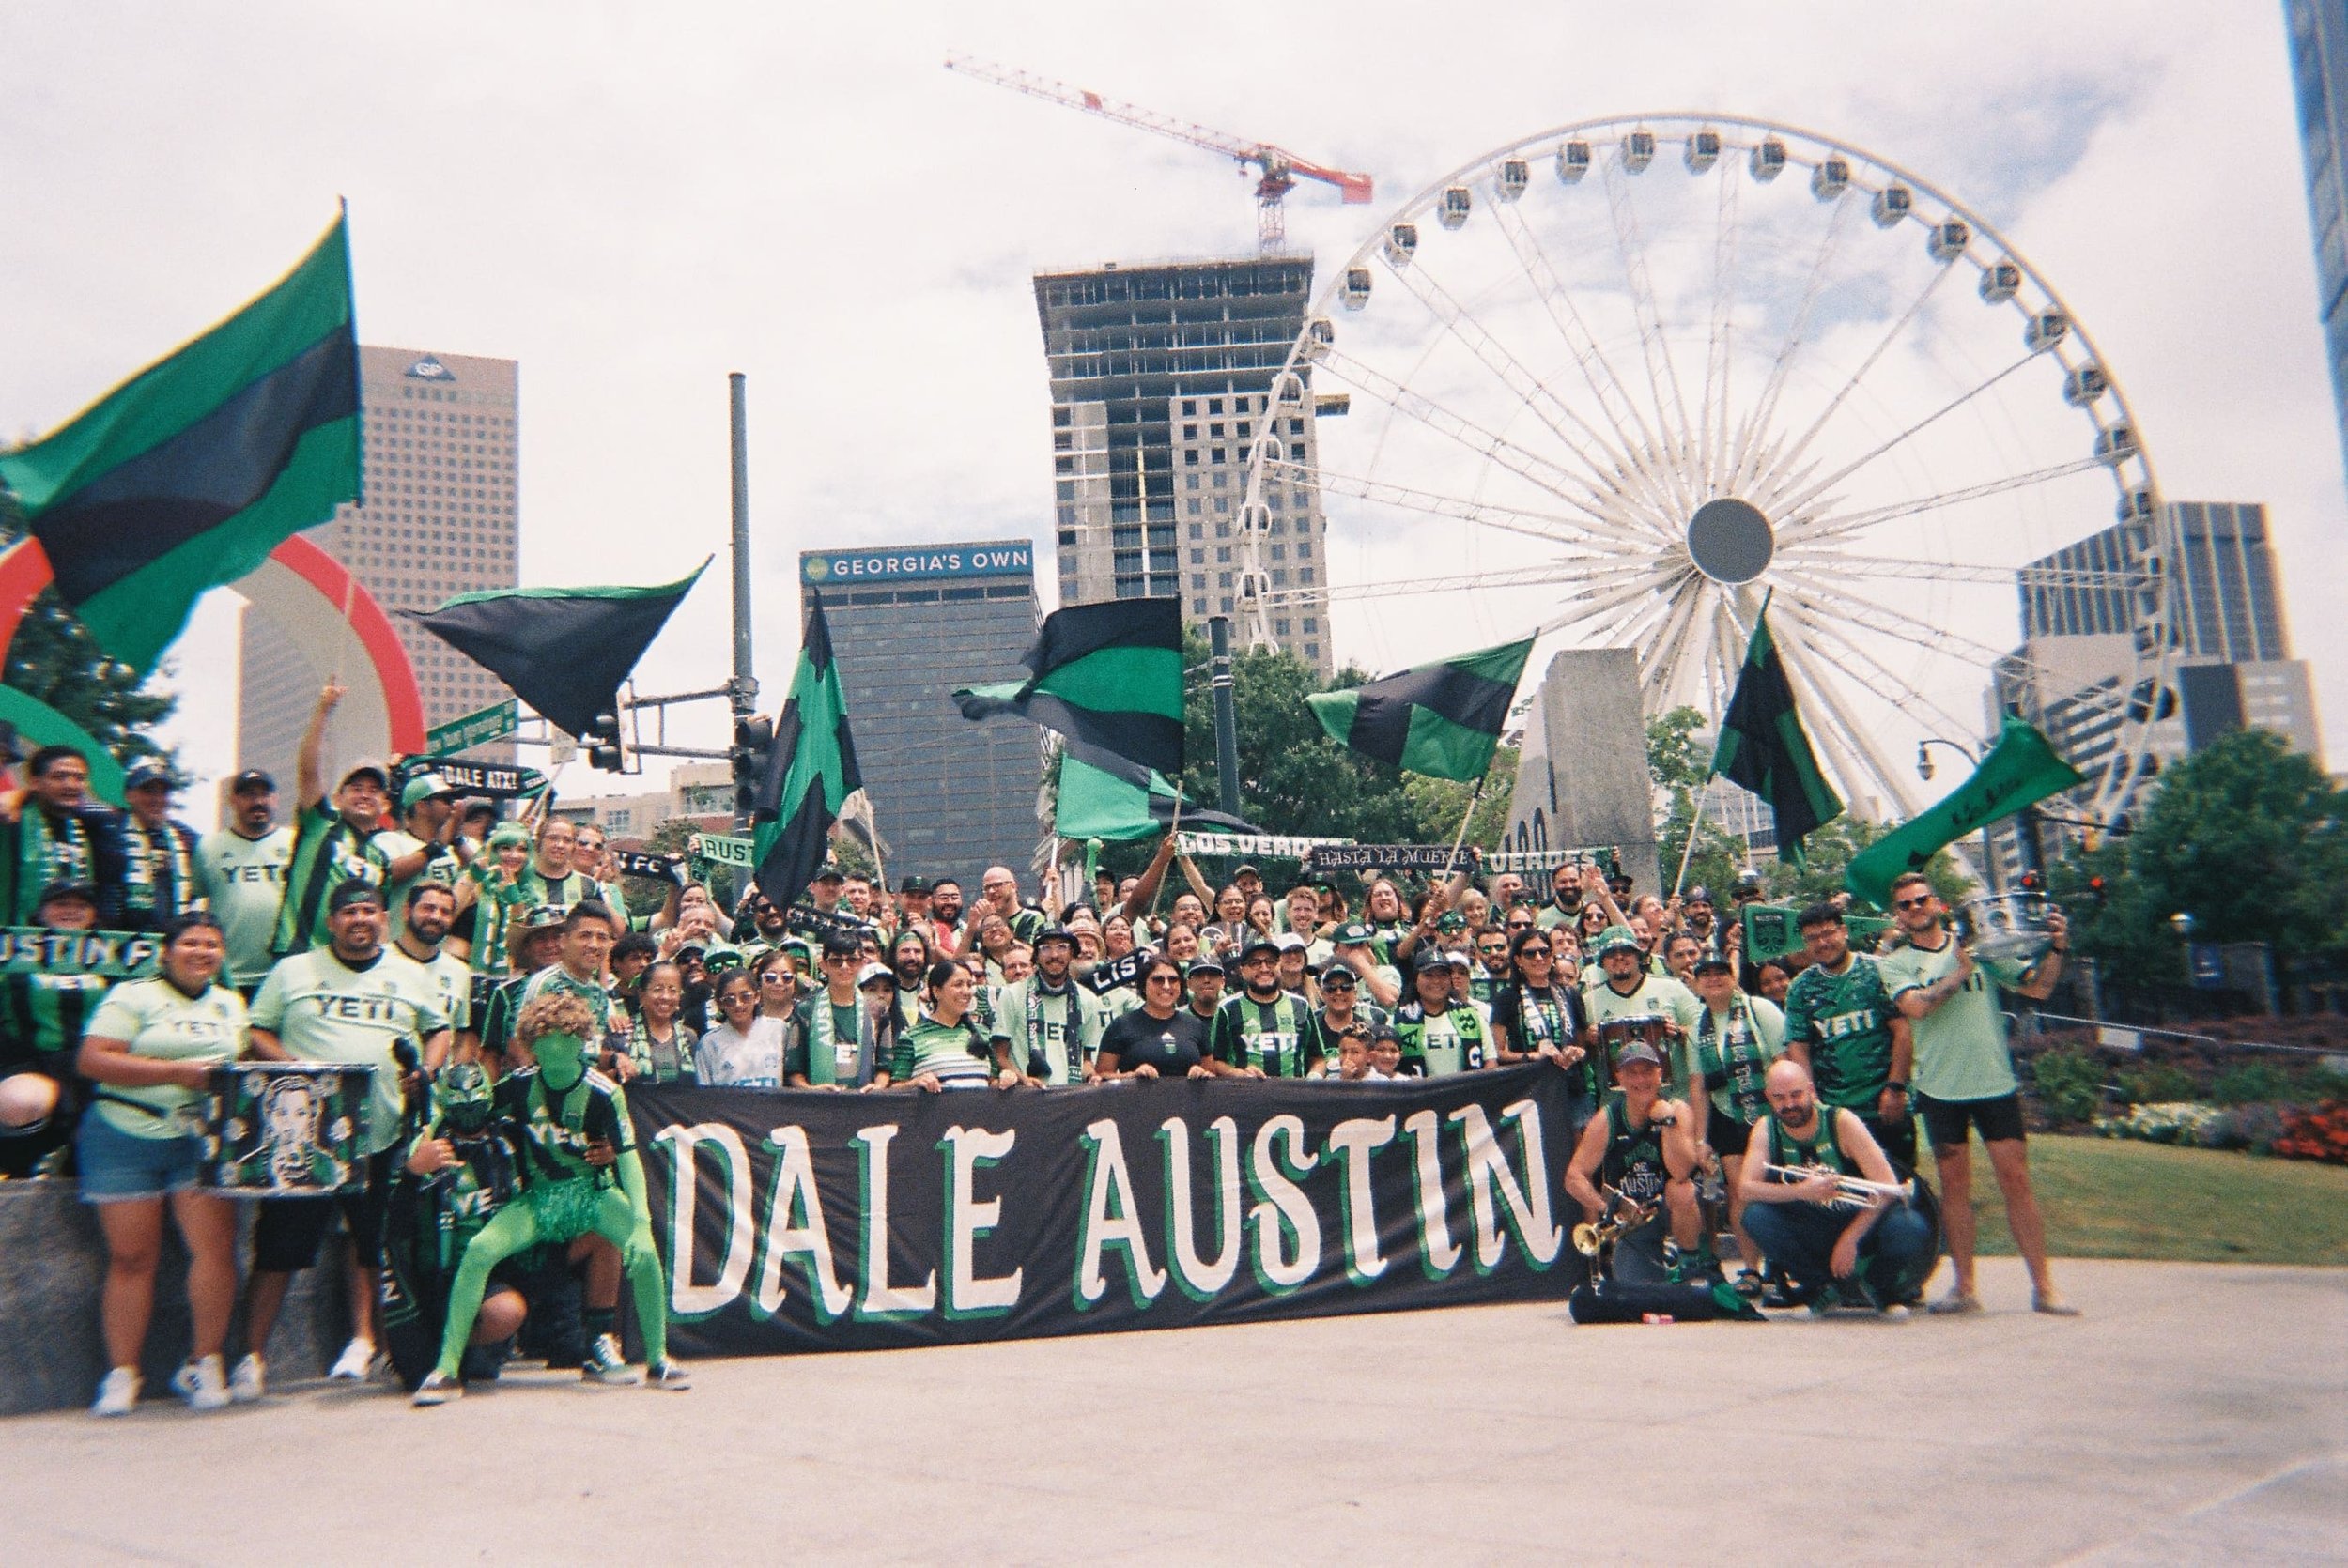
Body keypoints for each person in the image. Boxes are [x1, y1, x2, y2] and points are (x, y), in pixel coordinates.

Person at [413, 992, 687, 1403]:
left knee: (644, 1253)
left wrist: (642, 1224)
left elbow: (629, 1161)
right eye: (546, 1037)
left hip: (591, 1193)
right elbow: (457, 1110)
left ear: (582, 1039)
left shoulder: (603, 1092)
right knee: (481, 1249)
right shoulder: (518, 1087)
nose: (556, 1046)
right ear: (531, 1042)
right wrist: (422, 1146)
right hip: (539, 1199)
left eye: (567, 1036)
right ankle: (446, 1368)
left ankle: (658, 1358)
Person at [241, 880, 451, 1396]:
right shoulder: (293, 971)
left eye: (369, 911)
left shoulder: (409, 974)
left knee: (375, 1245)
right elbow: (257, 1029)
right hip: (305, 1135)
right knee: (278, 1248)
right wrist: (293, 1068)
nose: (360, 919)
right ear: (331, 921)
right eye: (349, 912)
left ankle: (374, 1348)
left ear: (383, 918)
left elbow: (439, 1028)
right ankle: (250, 1358)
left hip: (380, 1133)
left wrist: (425, 1070)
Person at [72, 913, 249, 1415]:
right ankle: (122, 1372)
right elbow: (92, 1060)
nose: (202, 952)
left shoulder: (230, 1004)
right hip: (124, 1134)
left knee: (215, 1251)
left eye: (212, 944)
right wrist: (175, 1072)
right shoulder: (133, 996)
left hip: (200, 1140)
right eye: (190, 943)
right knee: (132, 1258)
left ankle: (204, 1362)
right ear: (167, 951)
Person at [1879, 872, 2078, 1316]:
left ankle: (2044, 1287)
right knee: (1955, 1187)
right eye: (1906, 905)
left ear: (1938, 903)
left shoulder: (1980, 946)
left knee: (2017, 1182)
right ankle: (1965, 1287)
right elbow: (1915, 1006)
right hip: (1940, 1087)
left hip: (1993, 1083)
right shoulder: (1895, 962)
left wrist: (2058, 947)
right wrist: (1960, 972)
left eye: (1922, 900)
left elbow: (2038, 986)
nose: (1916, 909)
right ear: (1898, 915)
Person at [1739, 1059, 1934, 1315]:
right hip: (1812, 1221)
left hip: (1856, 1216)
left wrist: (1850, 1238)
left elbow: (1887, 1186)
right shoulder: (1767, 1128)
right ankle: (1820, 1289)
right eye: (1779, 1098)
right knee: (1754, 1216)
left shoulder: (1841, 1122)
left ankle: (1876, 1289)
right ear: (1768, 1097)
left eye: (1796, 1094)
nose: (1789, 1105)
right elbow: (1745, 1189)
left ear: (1810, 1089)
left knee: (1910, 1226)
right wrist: (1801, 1191)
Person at [1778, 901, 1916, 1173]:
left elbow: (1903, 1030)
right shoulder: (1800, 988)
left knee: (1901, 1183)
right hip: (1836, 1112)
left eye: (1828, 933)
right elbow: (1798, 1046)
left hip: (1884, 1102)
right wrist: (1813, 1100)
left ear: (1843, 931)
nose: (1822, 943)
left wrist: (1896, 1087)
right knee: (1848, 1191)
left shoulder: (1878, 971)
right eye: (1812, 938)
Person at [0, 882, 117, 1176]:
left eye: (80, 905)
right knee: (20, 1100)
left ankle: (70, 1161)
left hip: (97, 1064)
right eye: (60, 903)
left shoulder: (119, 958)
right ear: (41, 912)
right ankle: (22, 1168)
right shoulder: (12, 956)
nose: (70, 910)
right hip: (30, 1061)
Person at [1686, 953, 1786, 1291]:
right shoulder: (1696, 1026)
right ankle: (1751, 1268)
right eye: (1706, 975)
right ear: (1697, 984)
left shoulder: (1761, 1011)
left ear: (1733, 977)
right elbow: (1698, 1086)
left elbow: (1782, 1062)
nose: (1714, 979)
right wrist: (1701, 1139)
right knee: (1739, 1192)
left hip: (1768, 1111)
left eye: (1720, 972)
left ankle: (1781, 1265)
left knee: (1776, 1187)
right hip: (1727, 1115)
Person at [1564, 1035, 1699, 1281]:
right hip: (1633, 1219)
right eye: (1632, 1073)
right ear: (1620, 1077)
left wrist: (1668, 1122)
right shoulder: (1608, 1119)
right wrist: (1607, 1208)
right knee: (1635, 1286)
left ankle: (1689, 1263)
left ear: (1660, 1074)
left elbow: (1681, 1172)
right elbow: (1574, 1177)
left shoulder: (1678, 1110)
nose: (1640, 1080)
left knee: (1682, 1189)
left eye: (1647, 1072)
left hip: (1669, 1211)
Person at [272, 684, 394, 958]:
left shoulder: (380, 858)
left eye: (374, 791)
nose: (365, 795)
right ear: (338, 798)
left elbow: (381, 915)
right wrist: (323, 710)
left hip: (351, 963)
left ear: (385, 805)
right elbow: (308, 772)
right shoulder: (320, 823)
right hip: (298, 952)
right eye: (356, 788)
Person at [0, 744, 128, 927]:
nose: (70, 785)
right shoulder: (10, 820)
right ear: (35, 782)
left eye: (79, 778)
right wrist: (15, 796)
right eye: (59, 777)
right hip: (12, 942)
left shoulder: (92, 827)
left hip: (72, 947)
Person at [198, 769, 296, 998]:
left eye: (265, 795)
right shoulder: (208, 847)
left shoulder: (294, 842)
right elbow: (194, 899)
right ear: (233, 801)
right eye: (249, 795)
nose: (258, 802)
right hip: (227, 973)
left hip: (283, 971)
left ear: (276, 799)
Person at [1490, 926, 1594, 1111]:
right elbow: (1496, 1052)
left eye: (1544, 952)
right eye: (1530, 954)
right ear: (1518, 960)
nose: (1539, 958)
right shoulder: (1507, 997)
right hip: (1529, 1091)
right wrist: (1532, 1056)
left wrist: (1575, 1052)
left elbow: (1582, 1043)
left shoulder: (1570, 993)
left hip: (1571, 1088)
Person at [992, 925, 1108, 1085]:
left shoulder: (1088, 1000)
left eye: (1062, 947)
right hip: (1028, 1097)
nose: (1054, 955)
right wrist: (1023, 1080)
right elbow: (999, 1055)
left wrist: (1091, 1076)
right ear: (1036, 956)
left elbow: (1086, 1060)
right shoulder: (1012, 995)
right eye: (1046, 948)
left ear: (1072, 953)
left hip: (1072, 1097)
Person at [879, 959, 1014, 1090]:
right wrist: (915, 1082)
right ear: (936, 991)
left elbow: (991, 1082)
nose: (966, 991)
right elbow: (895, 1089)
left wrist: (1006, 1077)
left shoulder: (983, 1033)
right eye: (958, 984)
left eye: (969, 985)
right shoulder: (911, 1037)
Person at [1579, 924, 1701, 1067]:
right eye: (1611, 953)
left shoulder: (1672, 988)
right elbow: (1580, 1052)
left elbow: (1703, 1031)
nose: (1619, 957)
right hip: (1618, 1086)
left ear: (1638, 956)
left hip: (1675, 1086)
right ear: (1601, 962)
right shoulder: (1589, 1001)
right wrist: (1588, 1040)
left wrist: (1678, 1032)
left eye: (1626, 951)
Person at [1209, 937, 1320, 1079]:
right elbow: (1214, 1061)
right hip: (1247, 1096)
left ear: (1279, 965)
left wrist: (1313, 1077)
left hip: (1292, 1097)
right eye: (1255, 963)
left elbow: (1318, 1058)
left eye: (1270, 962)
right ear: (1242, 970)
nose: (1264, 968)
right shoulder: (1228, 1008)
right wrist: (1237, 1073)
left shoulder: (1301, 1006)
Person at [388, 883, 471, 1068]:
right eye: (428, 908)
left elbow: (460, 1036)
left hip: (434, 1091)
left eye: (445, 912)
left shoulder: (460, 972)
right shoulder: (380, 961)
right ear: (407, 911)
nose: (436, 917)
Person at [116, 762, 206, 933]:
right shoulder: (113, 831)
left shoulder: (186, 838)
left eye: (163, 792)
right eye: (148, 791)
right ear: (129, 795)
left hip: (173, 940)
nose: (156, 799)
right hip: (124, 939)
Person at [375, 773, 466, 940]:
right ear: (421, 806)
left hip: (441, 950)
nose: (452, 806)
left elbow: (479, 875)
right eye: (446, 800)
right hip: (400, 945)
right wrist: (436, 847)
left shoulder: (456, 847)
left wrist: (457, 838)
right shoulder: (390, 840)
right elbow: (388, 873)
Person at [1095, 956, 1213, 1081]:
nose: (1167, 986)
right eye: (1158, 980)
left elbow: (1212, 1076)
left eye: (1173, 980)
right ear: (1142, 986)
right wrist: (1131, 1076)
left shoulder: (1196, 1025)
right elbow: (1101, 1076)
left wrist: (1201, 1073)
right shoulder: (1122, 1025)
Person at [790, 935, 882, 1088]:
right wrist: (812, 1090)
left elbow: (885, 1065)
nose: (845, 967)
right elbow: (793, 1069)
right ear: (823, 965)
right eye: (836, 961)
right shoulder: (805, 1009)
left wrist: (877, 1088)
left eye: (852, 960)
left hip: (865, 1103)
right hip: (819, 1105)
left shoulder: (876, 1009)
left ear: (862, 963)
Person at [1391, 948, 1491, 1077]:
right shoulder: (1399, 1019)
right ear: (1415, 980)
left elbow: (1490, 1061)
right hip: (1419, 1095)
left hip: (1467, 1094)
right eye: (1428, 975)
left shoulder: (1472, 1015)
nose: (1436, 981)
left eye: (1442, 975)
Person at [696, 970, 788, 1087]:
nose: (738, 1004)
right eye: (730, 1000)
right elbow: (704, 1094)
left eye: (745, 997)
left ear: (757, 997)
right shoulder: (710, 1043)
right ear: (720, 1004)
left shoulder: (778, 1030)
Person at [627, 961, 699, 1084]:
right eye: (658, 990)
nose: (665, 997)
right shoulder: (623, 1034)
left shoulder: (689, 1037)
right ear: (642, 995)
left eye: (673, 991)